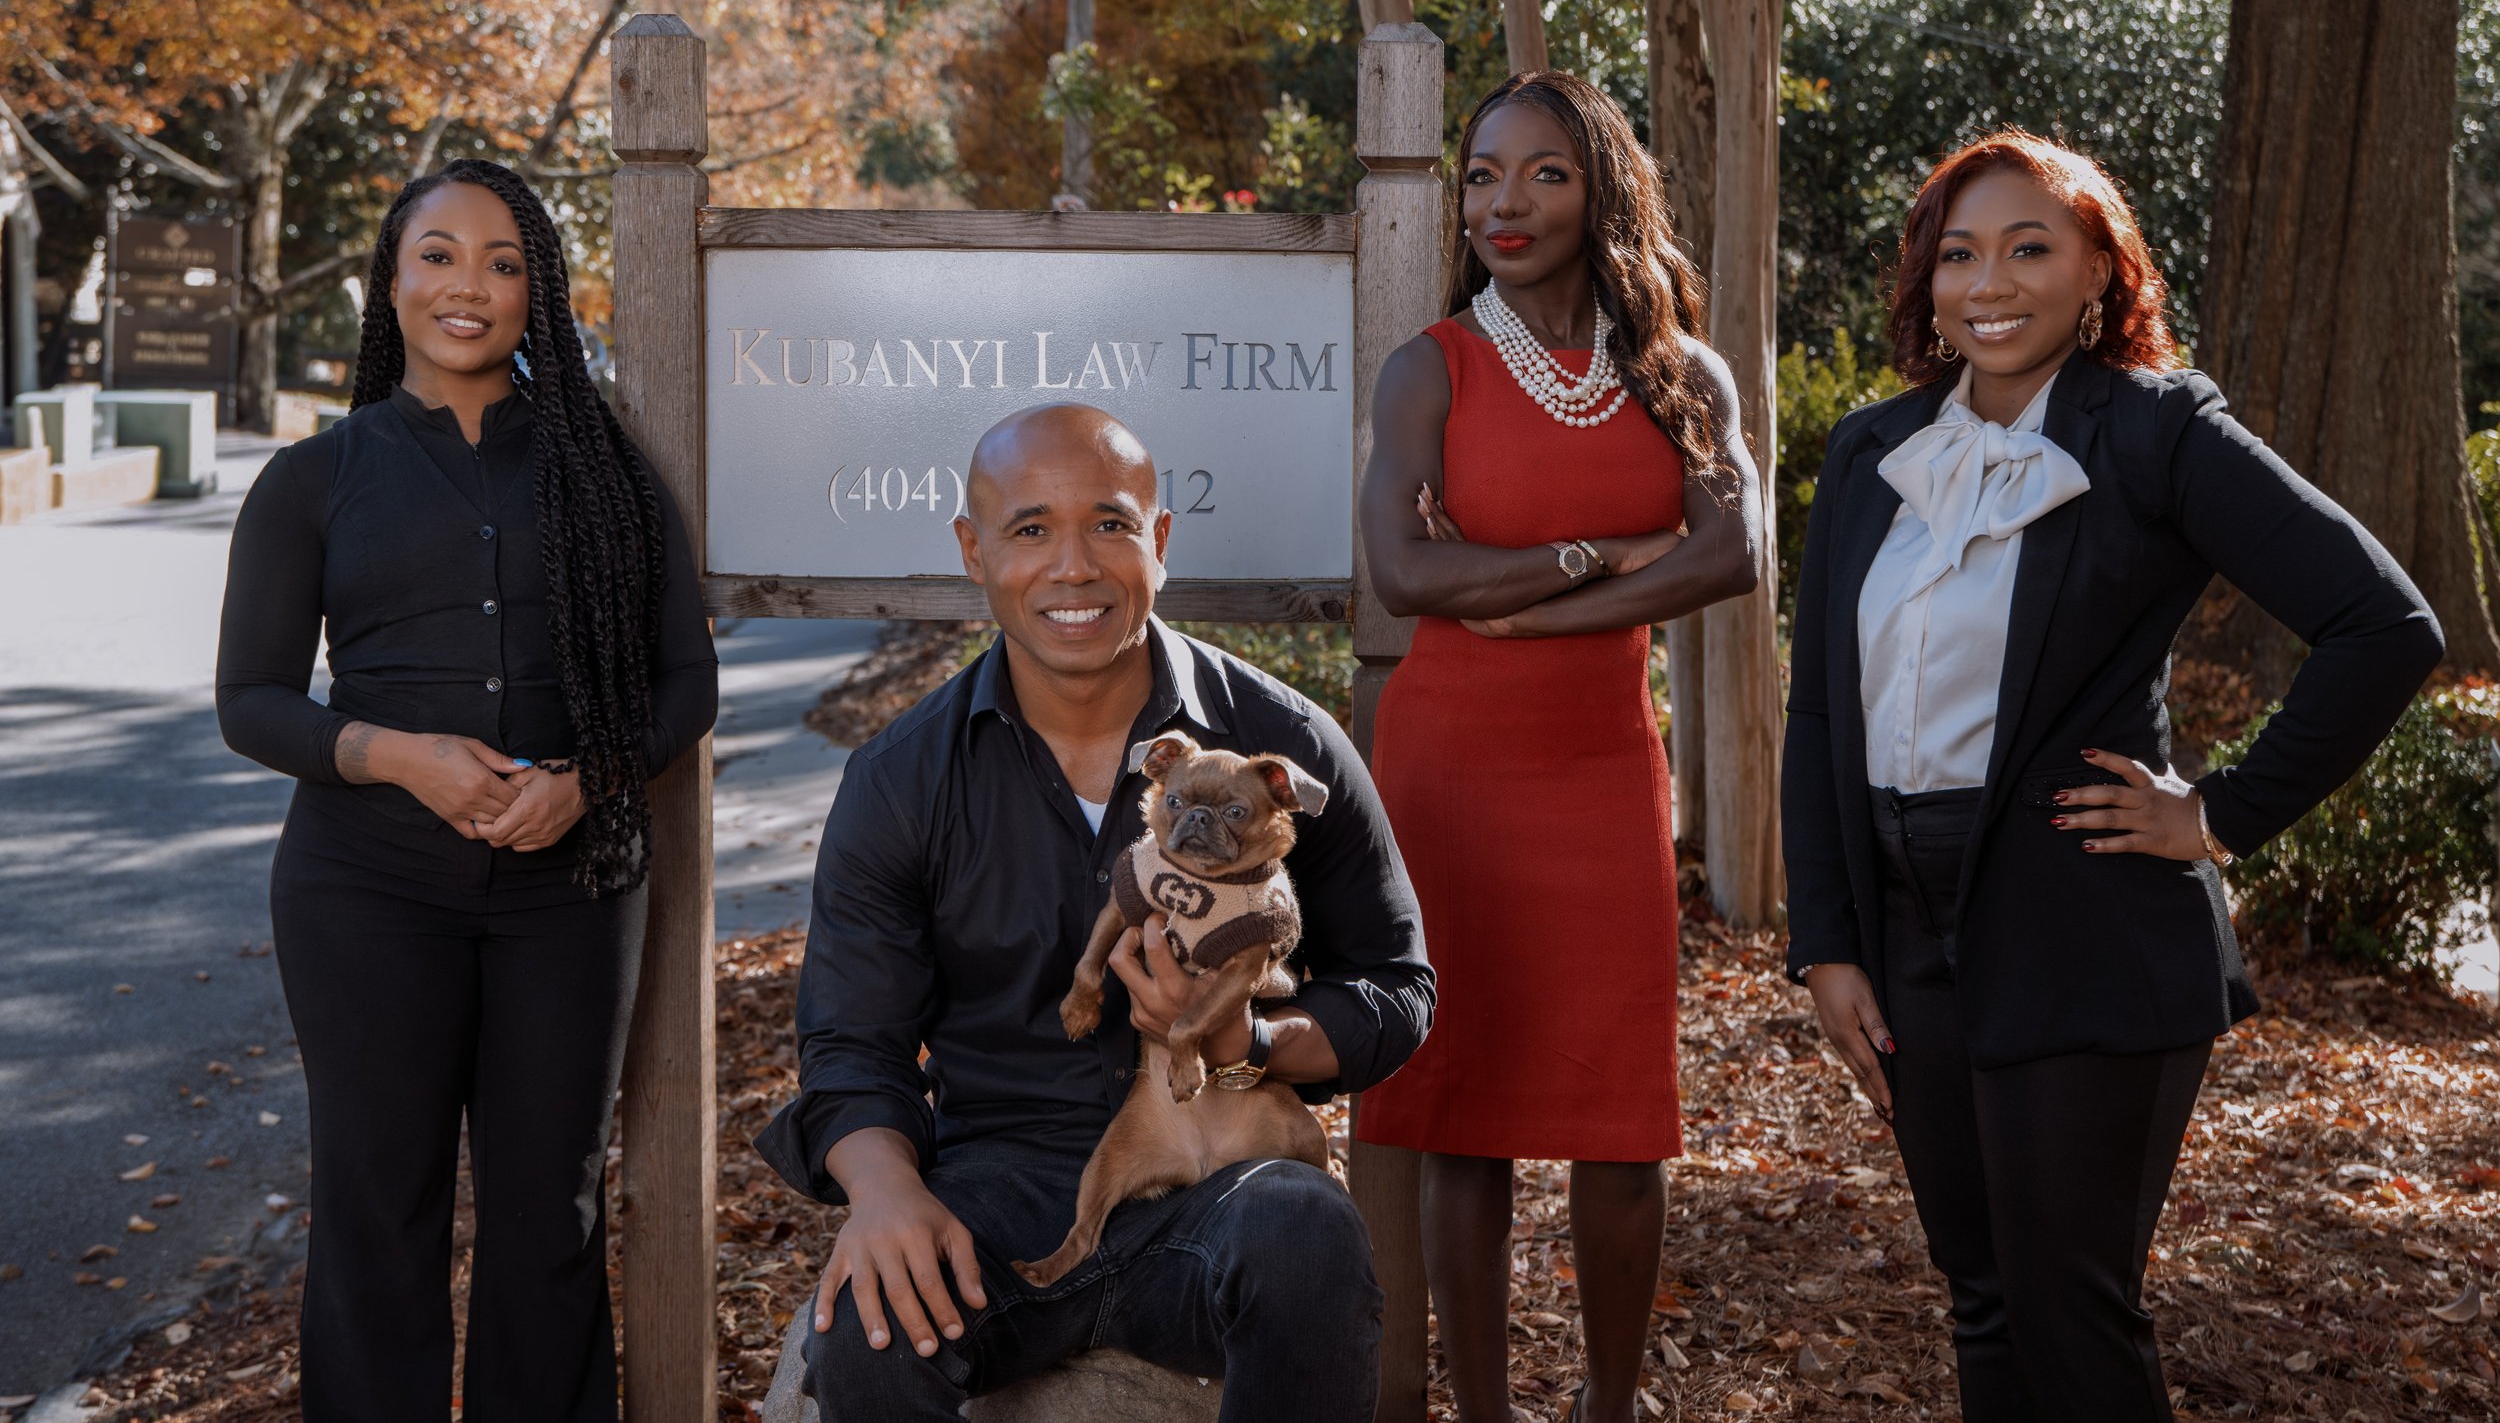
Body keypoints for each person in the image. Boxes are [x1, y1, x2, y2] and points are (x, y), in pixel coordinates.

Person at [1782, 129, 2443, 1422]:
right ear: (1925, 282)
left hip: (2086, 921)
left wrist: (2221, 812)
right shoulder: (1872, 454)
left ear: (2099, 272)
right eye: (1960, 252)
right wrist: (1828, 940)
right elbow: (1820, 711)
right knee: (1980, 1295)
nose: (1991, 280)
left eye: (2032, 246)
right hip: (1910, 935)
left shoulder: (2152, 429)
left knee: (2068, 1306)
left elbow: (2384, 622)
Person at [755, 402, 1433, 1423]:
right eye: (1030, 528)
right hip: (997, 1187)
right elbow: (853, 1042)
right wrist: (887, 1192)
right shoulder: (902, 777)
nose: (1073, 564)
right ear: (972, 550)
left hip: (1218, 1179)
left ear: (1159, 541)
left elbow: (1397, 985)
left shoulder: (1279, 745)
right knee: (866, 1323)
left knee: (1307, 1232)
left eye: (1111, 524)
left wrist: (1251, 1035)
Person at [215, 159, 718, 1423]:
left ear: (537, 291)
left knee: (551, 1204)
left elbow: (684, 681)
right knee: (379, 1204)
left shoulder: (605, 470)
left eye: (504, 263)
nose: (469, 286)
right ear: (391, 279)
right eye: (438, 254)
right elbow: (253, 699)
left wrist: (587, 779)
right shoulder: (313, 477)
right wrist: (401, 755)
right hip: (363, 890)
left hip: (569, 887)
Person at [1350, 71, 1764, 1423]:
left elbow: (1734, 551)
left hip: (1599, 759)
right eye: (1480, 175)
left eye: (1542, 174)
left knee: (1620, 1110)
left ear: (1601, 188)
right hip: (1450, 767)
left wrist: (1527, 595)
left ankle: (1607, 1399)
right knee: (1462, 1106)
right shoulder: (1432, 364)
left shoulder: (1677, 371)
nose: (1503, 203)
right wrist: (1597, 550)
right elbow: (1407, 571)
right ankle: (1481, 1409)